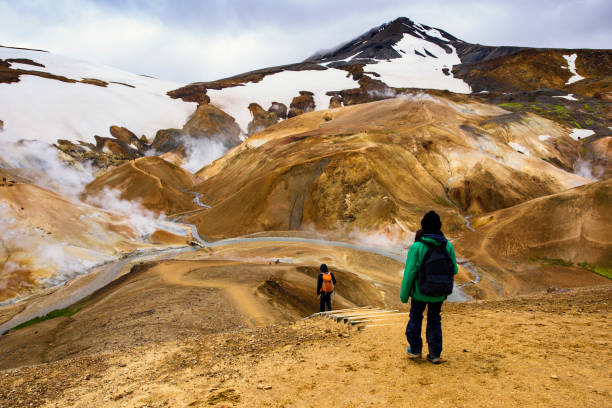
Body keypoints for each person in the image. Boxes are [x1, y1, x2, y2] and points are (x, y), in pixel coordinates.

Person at [400, 211, 458, 364]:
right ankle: (435, 354)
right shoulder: (448, 245)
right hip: (439, 293)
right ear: (439, 226)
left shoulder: (417, 246)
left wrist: (404, 295)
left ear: (423, 226)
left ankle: (415, 350)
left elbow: (409, 274)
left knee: (415, 318)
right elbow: (455, 270)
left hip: (420, 292)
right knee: (434, 319)